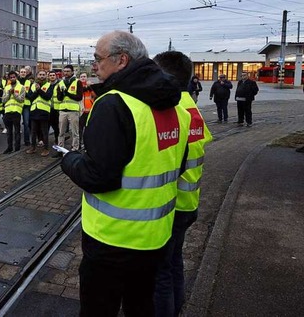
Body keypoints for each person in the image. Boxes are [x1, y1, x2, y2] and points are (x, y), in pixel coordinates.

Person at [60, 31, 190, 317]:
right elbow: (177, 167)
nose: (94, 65)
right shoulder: (178, 107)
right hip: (156, 238)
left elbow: (98, 177)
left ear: (122, 60)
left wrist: (69, 160)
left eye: (98, 58)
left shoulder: (114, 104)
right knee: (141, 307)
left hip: (111, 241)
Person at [152, 51, 213, 317]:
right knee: (175, 262)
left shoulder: (172, 110)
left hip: (171, 205)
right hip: (189, 201)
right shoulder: (190, 106)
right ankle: (177, 308)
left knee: (160, 273)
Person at [26, 70, 54, 157]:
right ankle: (33, 147)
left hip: (44, 111)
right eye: (40, 74)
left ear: (46, 76)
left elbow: (47, 96)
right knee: (33, 131)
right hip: (34, 110)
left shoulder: (49, 85)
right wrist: (37, 91)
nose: (41, 76)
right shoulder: (33, 85)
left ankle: (46, 149)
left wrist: (39, 90)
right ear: (37, 76)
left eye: (43, 75)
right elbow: (30, 97)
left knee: (44, 131)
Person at [56, 64, 82, 152]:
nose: (66, 73)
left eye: (68, 71)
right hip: (63, 110)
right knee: (61, 132)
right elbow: (59, 98)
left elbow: (79, 97)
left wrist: (67, 93)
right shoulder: (60, 83)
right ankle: (61, 150)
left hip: (73, 110)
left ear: (72, 72)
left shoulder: (77, 82)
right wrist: (62, 94)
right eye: (65, 71)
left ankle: (75, 149)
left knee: (75, 132)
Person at [2, 70, 25, 154]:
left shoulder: (21, 87)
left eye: (14, 77)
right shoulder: (6, 87)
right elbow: (3, 100)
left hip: (16, 111)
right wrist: (8, 93)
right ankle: (9, 147)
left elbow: (21, 99)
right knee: (9, 132)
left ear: (16, 77)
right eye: (11, 77)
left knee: (17, 131)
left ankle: (17, 147)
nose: (12, 78)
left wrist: (14, 94)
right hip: (8, 112)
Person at [78, 72, 96, 143]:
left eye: (84, 76)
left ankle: (88, 143)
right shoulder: (78, 86)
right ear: (79, 78)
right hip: (81, 111)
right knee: (80, 129)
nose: (83, 78)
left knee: (89, 129)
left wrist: (90, 88)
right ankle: (79, 143)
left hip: (89, 111)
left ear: (87, 77)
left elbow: (94, 95)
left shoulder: (90, 85)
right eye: (81, 76)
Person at [17, 67, 32, 146]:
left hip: (26, 105)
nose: (23, 73)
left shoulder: (29, 82)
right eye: (21, 72)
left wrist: (25, 93)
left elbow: (31, 94)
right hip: (17, 104)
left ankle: (27, 141)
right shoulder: (16, 82)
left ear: (26, 73)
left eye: (24, 72)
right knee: (17, 124)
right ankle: (17, 141)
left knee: (26, 123)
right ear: (19, 73)